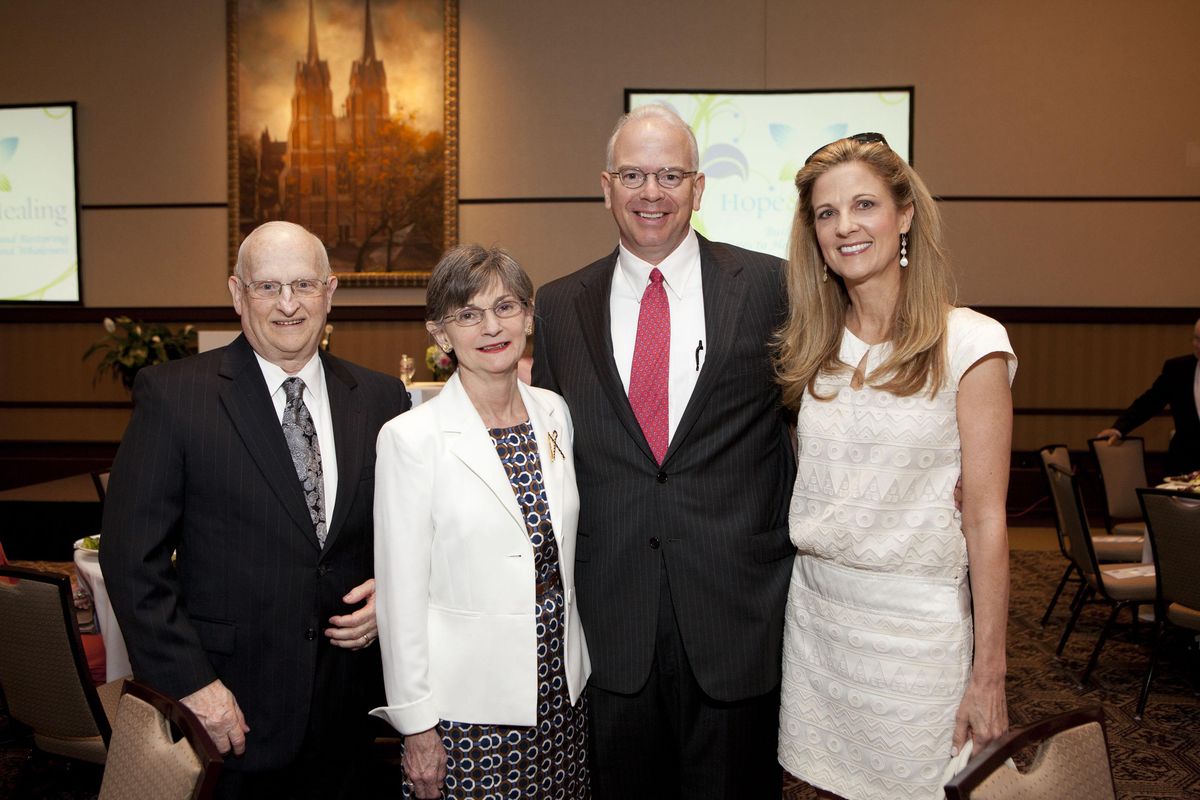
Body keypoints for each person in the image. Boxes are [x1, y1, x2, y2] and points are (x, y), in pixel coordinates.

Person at [533, 104, 796, 799]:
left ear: (699, 187)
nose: (652, 192)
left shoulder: (773, 288)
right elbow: (546, 458)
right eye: (634, 175)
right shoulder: (558, 308)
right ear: (606, 185)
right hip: (612, 613)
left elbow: (821, 418)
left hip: (737, 612)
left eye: (671, 175)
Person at [100, 221, 410, 798]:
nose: (288, 305)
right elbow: (129, 558)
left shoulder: (380, 398)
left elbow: (408, 534)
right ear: (237, 294)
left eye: (303, 285)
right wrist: (193, 684)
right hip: (231, 711)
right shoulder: (175, 395)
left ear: (330, 290)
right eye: (267, 287)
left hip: (350, 707)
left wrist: (390, 594)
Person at [773, 133, 1015, 799]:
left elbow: (989, 520)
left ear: (904, 213)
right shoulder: (808, 349)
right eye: (826, 213)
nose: (845, 226)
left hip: (916, 639)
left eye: (863, 205)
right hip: (819, 627)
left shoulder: (970, 343)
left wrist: (989, 675)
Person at [371, 245, 590, 799]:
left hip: (562, 691)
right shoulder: (410, 439)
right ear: (441, 334)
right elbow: (399, 598)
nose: (492, 326)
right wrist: (416, 726)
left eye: (506, 307)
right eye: (468, 314)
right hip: (466, 711)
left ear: (529, 316)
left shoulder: (553, 412)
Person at [1096, 316, 1200, 476]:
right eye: (1195, 338)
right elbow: (1150, 401)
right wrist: (1119, 428)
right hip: (1184, 465)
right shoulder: (1178, 369)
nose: (1196, 345)